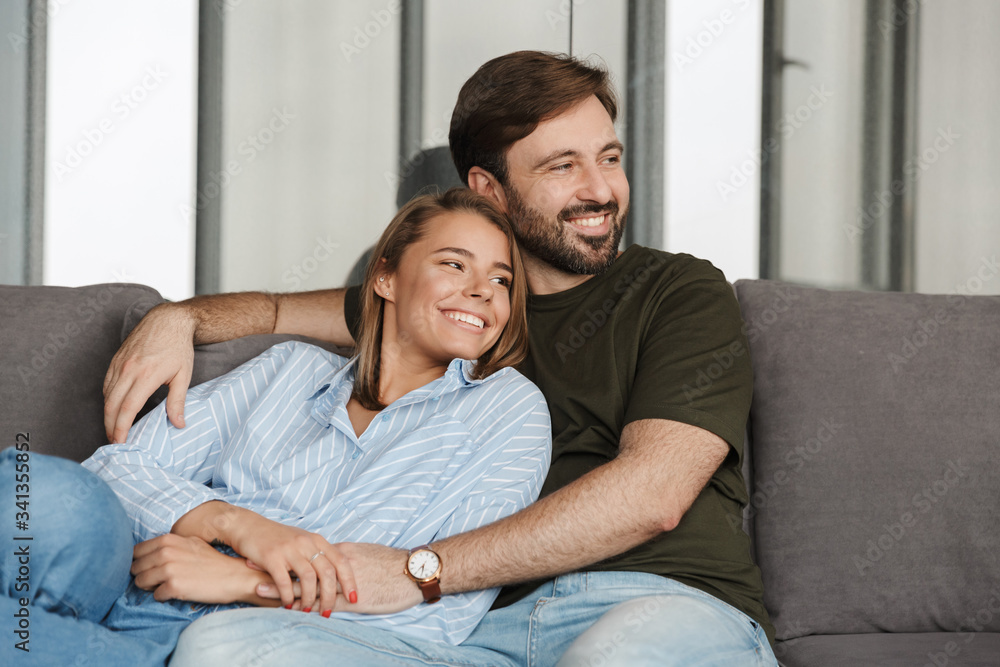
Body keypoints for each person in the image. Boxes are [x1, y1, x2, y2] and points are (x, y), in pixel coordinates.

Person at [106, 51, 778, 666]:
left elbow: (653, 496)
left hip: (661, 607)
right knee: (222, 645)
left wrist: (417, 570)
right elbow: (275, 310)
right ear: (488, 188)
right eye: (562, 166)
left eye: (609, 157)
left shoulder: (678, 290)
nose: (601, 190)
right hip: (482, 635)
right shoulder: (447, 313)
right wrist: (178, 317)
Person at [0, 189, 550, 666]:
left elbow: (440, 614)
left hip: (225, 641)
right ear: (385, 277)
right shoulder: (290, 369)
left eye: (501, 279)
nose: (484, 289)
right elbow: (116, 468)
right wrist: (234, 525)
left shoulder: (507, 412)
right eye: (455, 264)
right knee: (51, 495)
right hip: (131, 579)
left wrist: (245, 582)